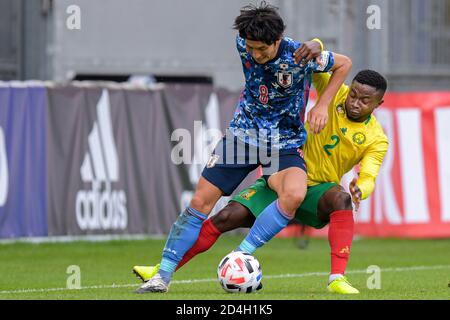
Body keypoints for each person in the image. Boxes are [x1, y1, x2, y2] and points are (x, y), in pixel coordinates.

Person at [135, 2, 352, 293]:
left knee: (294, 194)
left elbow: (344, 63)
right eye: (250, 48)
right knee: (200, 203)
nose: (254, 54)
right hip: (242, 137)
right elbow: (251, 44)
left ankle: (241, 254)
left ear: (277, 41)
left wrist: (322, 104)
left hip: (283, 144)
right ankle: (161, 276)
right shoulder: (244, 42)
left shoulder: (300, 55)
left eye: (262, 49)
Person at [134, 69, 389, 294]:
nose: (355, 103)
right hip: (281, 175)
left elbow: (368, 175)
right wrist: (314, 47)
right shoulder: (334, 93)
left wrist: (360, 189)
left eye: (365, 100)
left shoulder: (376, 138)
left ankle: (337, 278)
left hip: (317, 191)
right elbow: (318, 61)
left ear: (379, 103)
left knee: (341, 198)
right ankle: (162, 270)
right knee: (226, 217)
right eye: (353, 94)